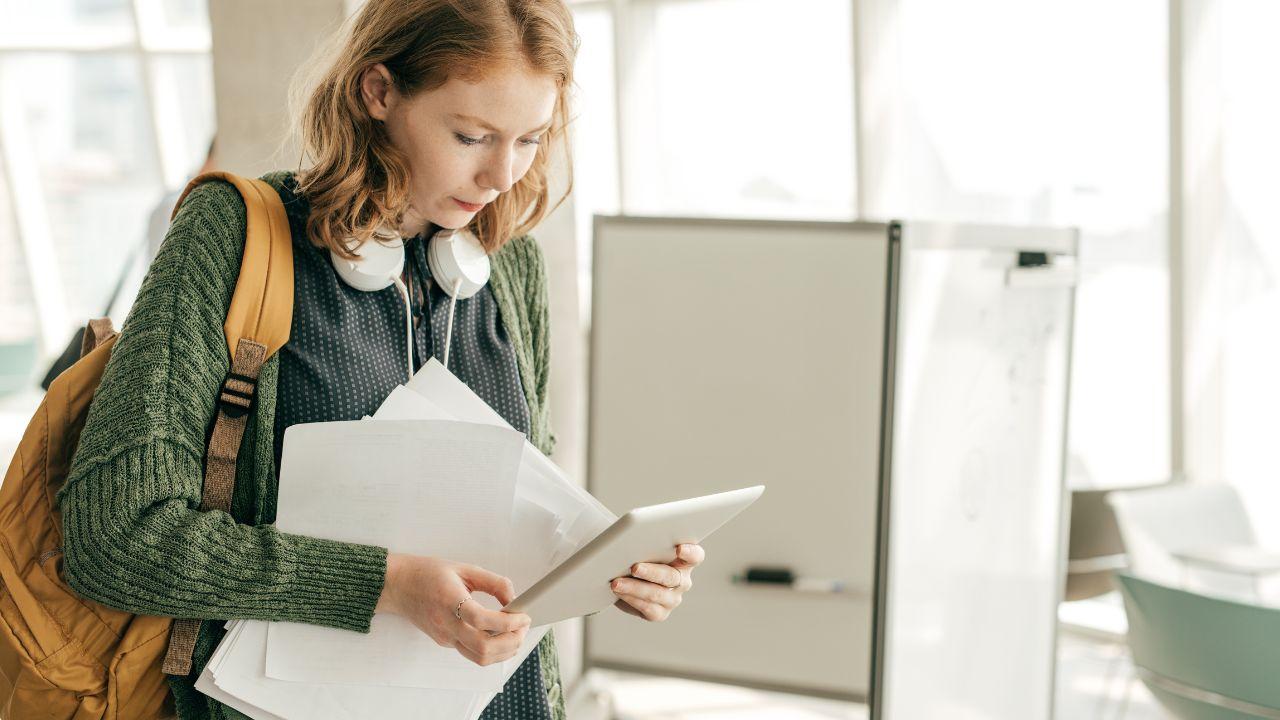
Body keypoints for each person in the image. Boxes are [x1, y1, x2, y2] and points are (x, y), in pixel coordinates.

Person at [57, 1, 704, 718]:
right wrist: (386, 587)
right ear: (378, 92)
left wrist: (604, 568)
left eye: (529, 139)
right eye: (471, 136)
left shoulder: (510, 267)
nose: (500, 174)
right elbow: (114, 538)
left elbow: (521, 522)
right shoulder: (235, 235)